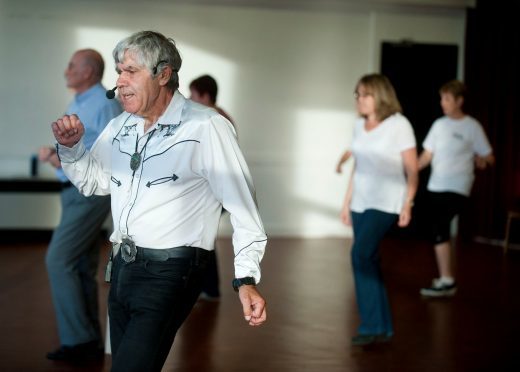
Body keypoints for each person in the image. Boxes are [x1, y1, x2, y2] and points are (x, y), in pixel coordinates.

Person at [50, 31, 267, 372]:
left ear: (163, 74)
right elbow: (93, 182)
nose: (120, 81)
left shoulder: (207, 126)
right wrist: (71, 148)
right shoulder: (122, 126)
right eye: (119, 71)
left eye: (131, 71)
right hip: (122, 267)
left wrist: (246, 278)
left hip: (171, 271)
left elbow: (243, 207)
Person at [39, 49, 123, 361]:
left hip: (88, 193)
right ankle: (87, 342)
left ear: (88, 71)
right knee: (79, 265)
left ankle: (77, 341)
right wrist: (56, 153)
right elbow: (80, 145)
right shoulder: (80, 102)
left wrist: (56, 156)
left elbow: (107, 152)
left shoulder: (103, 103)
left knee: (58, 259)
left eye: (72, 65)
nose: (66, 70)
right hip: (73, 191)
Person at [340, 73, 418, 346]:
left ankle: (371, 325)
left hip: (387, 202)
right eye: (357, 94)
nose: (360, 100)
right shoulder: (359, 126)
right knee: (369, 260)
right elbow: (358, 166)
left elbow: (412, 168)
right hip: (361, 201)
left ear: (380, 95)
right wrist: (346, 202)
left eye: (365, 94)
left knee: (360, 255)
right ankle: (383, 327)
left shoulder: (399, 125)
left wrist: (408, 201)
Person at [418, 80, 494, 298]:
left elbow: (489, 156)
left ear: (459, 101)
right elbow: (426, 156)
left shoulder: (472, 127)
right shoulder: (438, 125)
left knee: (439, 226)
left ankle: (447, 281)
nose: (443, 103)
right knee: (435, 228)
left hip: (458, 186)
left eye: (447, 99)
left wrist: (483, 160)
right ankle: (445, 279)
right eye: (441, 98)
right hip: (436, 185)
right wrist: (409, 167)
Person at [189, 74, 234, 300]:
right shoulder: (215, 117)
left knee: (202, 238)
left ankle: (206, 288)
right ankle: (208, 288)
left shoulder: (215, 119)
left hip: (214, 191)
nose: (189, 99)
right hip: (214, 190)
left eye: (193, 95)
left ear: (205, 96)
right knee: (204, 237)